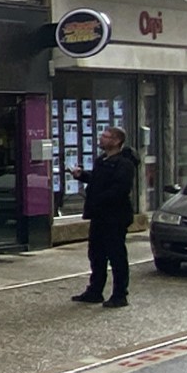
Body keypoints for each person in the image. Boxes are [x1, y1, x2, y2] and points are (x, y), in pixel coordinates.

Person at [72, 126, 140, 308]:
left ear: (117, 141)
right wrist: (83, 176)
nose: (101, 139)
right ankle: (95, 291)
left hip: (115, 216)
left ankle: (120, 294)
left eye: (106, 136)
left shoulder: (124, 164)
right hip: (99, 215)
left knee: (116, 255)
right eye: (102, 135)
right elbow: (98, 180)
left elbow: (119, 189)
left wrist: (98, 198)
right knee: (96, 254)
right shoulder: (102, 160)